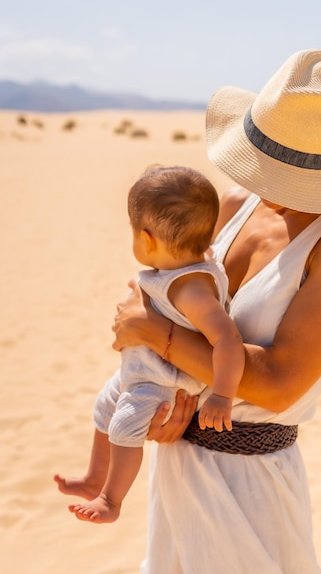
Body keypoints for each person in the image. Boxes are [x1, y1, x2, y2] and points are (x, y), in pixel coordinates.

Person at [112, 49, 321, 573]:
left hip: (251, 483)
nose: (267, 182)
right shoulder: (233, 204)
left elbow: (279, 382)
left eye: (286, 169)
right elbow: (174, 302)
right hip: (179, 466)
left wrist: (152, 332)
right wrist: (162, 413)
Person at [54, 165, 245, 523]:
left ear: (147, 239)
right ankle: (96, 477)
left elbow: (229, 339)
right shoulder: (191, 264)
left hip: (164, 380)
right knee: (105, 407)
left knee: (126, 426)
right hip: (142, 367)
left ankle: (111, 500)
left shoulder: (190, 289)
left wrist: (222, 394)